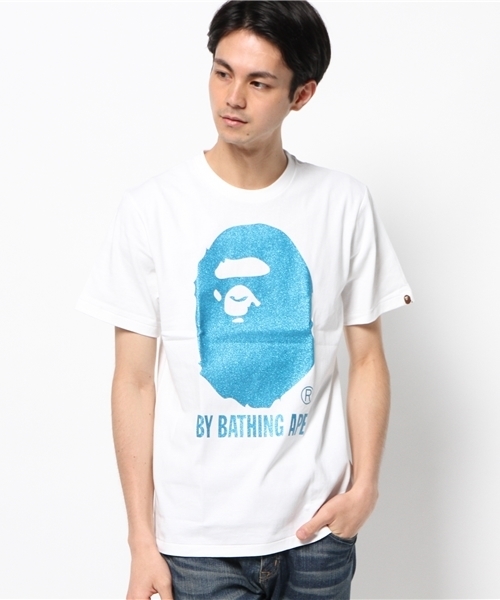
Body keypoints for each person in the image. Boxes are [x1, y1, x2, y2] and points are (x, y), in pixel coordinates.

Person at [77, 1, 413, 598]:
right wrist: (140, 539)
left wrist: (365, 488)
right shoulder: (152, 210)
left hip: (317, 535)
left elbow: (366, 359)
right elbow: (133, 381)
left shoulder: (343, 204)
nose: (232, 98)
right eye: (222, 72)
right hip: (197, 545)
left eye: (259, 83)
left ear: (301, 95)